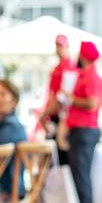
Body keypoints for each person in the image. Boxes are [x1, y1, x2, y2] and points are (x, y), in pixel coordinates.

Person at [63, 41, 102, 203]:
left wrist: (72, 99)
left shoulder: (90, 76)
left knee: (81, 175)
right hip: (81, 131)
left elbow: (92, 103)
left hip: (84, 131)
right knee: (79, 174)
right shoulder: (88, 75)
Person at [40, 34, 77, 164]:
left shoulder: (69, 67)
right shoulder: (58, 67)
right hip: (53, 114)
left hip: (61, 115)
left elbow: (62, 98)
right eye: (57, 45)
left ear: (67, 47)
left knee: (58, 159)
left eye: (61, 45)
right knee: (52, 158)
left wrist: (45, 114)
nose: (59, 48)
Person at [0, 78, 27, 198]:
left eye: (2, 94)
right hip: (6, 190)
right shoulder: (2, 125)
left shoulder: (10, 128)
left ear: (14, 101)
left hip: (6, 193)